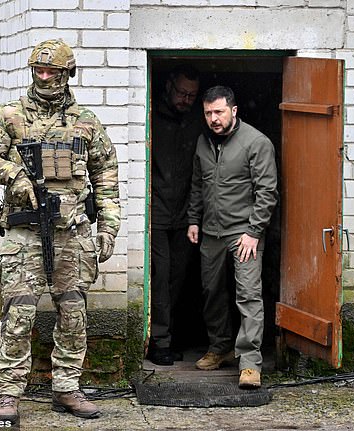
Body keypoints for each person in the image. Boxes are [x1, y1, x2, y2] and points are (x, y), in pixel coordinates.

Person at [0, 39, 120, 422]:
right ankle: (9, 394)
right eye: (38, 70)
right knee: (18, 314)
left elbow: (106, 175)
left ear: (66, 73)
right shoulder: (9, 114)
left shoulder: (86, 121)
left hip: (73, 233)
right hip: (25, 235)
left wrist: (108, 229)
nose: (43, 77)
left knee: (73, 313)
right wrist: (14, 174)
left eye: (51, 71)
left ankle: (67, 389)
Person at [186, 86, 278, 389]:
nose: (213, 119)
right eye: (209, 113)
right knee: (211, 291)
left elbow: (267, 192)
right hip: (211, 232)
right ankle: (220, 347)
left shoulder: (256, 142)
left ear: (234, 111)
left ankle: (250, 362)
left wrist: (254, 232)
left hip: (244, 233)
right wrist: (193, 220)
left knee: (248, 295)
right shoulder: (203, 141)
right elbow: (198, 184)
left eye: (219, 112)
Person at [149, 65, 202, 365]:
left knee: (179, 279)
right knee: (160, 277)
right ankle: (159, 341)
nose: (185, 99)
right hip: (157, 213)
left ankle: (172, 337)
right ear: (169, 85)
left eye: (191, 95)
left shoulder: (196, 121)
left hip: (186, 215)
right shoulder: (151, 114)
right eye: (182, 93)